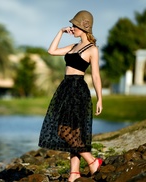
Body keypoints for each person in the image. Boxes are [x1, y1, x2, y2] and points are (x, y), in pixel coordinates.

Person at [38, 10, 103, 181]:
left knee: (64, 130)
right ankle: (74, 172)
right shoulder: (73, 47)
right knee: (73, 131)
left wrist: (100, 99)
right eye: (72, 26)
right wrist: (60, 32)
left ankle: (92, 161)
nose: (72, 28)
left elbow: (96, 76)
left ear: (84, 27)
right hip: (65, 88)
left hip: (78, 90)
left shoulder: (92, 49)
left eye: (75, 26)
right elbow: (51, 51)